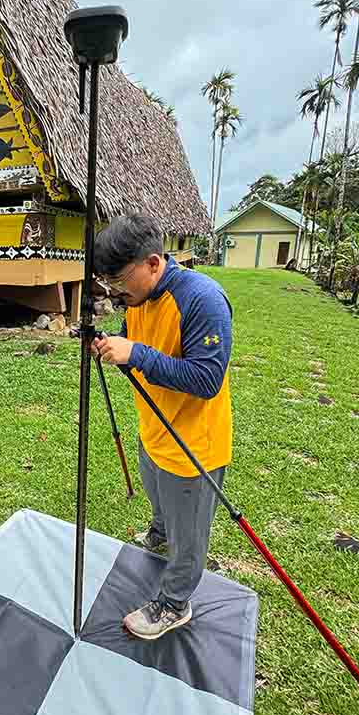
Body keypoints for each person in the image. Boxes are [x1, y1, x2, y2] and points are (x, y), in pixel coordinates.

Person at [92, 213, 232, 640]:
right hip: (153, 427)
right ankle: (159, 530)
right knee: (158, 496)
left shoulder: (202, 298)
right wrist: (115, 350)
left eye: (119, 280)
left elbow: (206, 380)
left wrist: (135, 353)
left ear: (153, 263)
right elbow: (137, 350)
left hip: (193, 443)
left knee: (187, 536)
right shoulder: (139, 300)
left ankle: (175, 603)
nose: (115, 292)